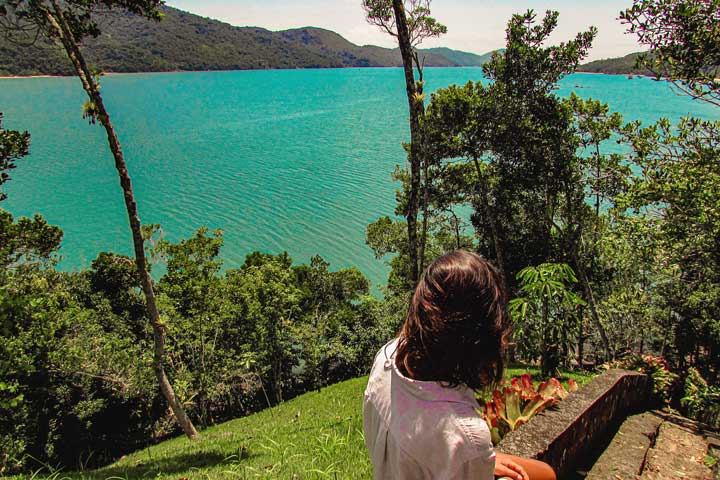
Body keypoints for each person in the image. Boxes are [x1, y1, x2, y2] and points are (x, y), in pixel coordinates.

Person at [363, 251, 557, 480]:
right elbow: (547, 475)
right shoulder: (461, 436)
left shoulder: (386, 358)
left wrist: (477, 460)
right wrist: (473, 456)